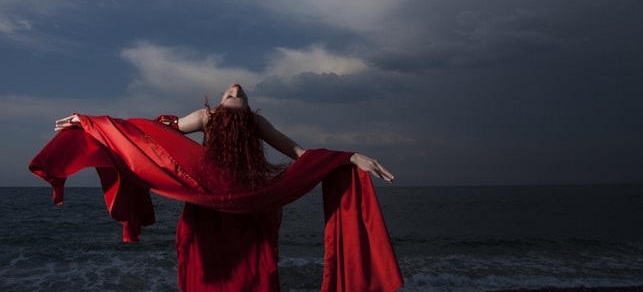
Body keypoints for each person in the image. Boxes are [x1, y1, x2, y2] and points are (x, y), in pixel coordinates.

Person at [35, 83, 402, 292]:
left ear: (246, 105)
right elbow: (149, 136)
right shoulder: (206, 117)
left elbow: (301, 155)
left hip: (251, 211)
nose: (235, 86)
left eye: (239, 89)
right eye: (230, 88)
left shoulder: (256, 123)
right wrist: (90, 125)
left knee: (257, 279)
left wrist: (350, 158)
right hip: (208, 209)